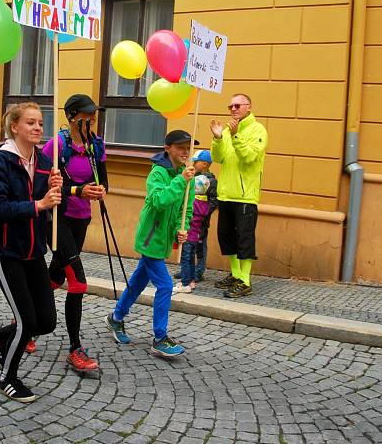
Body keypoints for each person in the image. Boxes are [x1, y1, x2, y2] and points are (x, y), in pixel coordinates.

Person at [0, 102, 62, 403]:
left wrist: (57, 190)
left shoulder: (44, 161)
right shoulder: (0, 162)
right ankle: (7, 377)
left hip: (34, 251)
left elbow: (50, 205)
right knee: (27, 321)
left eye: (41, 123)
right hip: (7, 252)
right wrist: (39, 204)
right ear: (14, 127)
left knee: (46, 322)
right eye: (31, 123)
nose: (38, 128)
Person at [105, 130, 195, 358]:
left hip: (163, 240)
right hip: (150, 239)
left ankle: (115, 318)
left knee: (137, 283)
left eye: (188, 147)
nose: (185, 152)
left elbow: (187, 209)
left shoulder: (187, 175)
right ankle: (159, 338)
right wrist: (180, 180)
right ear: (168, 148)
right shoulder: (158, 173)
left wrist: (180, 230)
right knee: (165, 286)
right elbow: (159, 201)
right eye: (180, 147)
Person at [38, 94, 107, 372]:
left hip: (81, 219)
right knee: (77, 282)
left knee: (55, 277)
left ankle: (25, 324)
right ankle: (75, 348)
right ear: (72, 116)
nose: (91, 119)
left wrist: (100, 190)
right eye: (87, 115)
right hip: (56, 220)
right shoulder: (55, 147)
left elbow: (104, 182)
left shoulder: (97, 146)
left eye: (93, 115)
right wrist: (77, 190)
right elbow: (42, 188)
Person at [210, 93, 268, 298]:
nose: (233, 109)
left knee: (244, 239)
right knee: (226, 237)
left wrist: (235, 137)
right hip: (226, 194)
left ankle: (245, 280)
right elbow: (218, 158)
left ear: (248, 107)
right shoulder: (227, 130)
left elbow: (250, 156)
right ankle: (235, 275)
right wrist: (218, 139)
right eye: (230, 106)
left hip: (245, 196)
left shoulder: (258, 129)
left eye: (237, 105)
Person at [173, 150, 217, 293]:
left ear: (204, 164)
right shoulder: (196, 177)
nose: (193, 163)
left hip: (198, 225)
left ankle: (196, 272)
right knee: (191, 253)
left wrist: (202, 214)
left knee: (198, 249)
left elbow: (213, 201)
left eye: (196, 161)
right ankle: (189, 275)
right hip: (197, 223)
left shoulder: (210, 181)